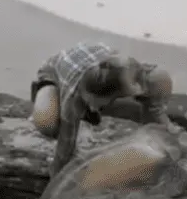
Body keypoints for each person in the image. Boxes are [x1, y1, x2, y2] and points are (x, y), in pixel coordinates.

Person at [30, 42, 175, 177]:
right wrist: (56, 179)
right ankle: (47, 95)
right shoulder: (73, 96)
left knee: (157, 82)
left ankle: (150, 129)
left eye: (97, 105)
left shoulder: (134, 73)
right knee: (47, 123)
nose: (93, 107)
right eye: (90, 103)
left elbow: (160, 80)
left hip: (108, 76)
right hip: (54, 76)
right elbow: (63, 150)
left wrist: (156, 114)